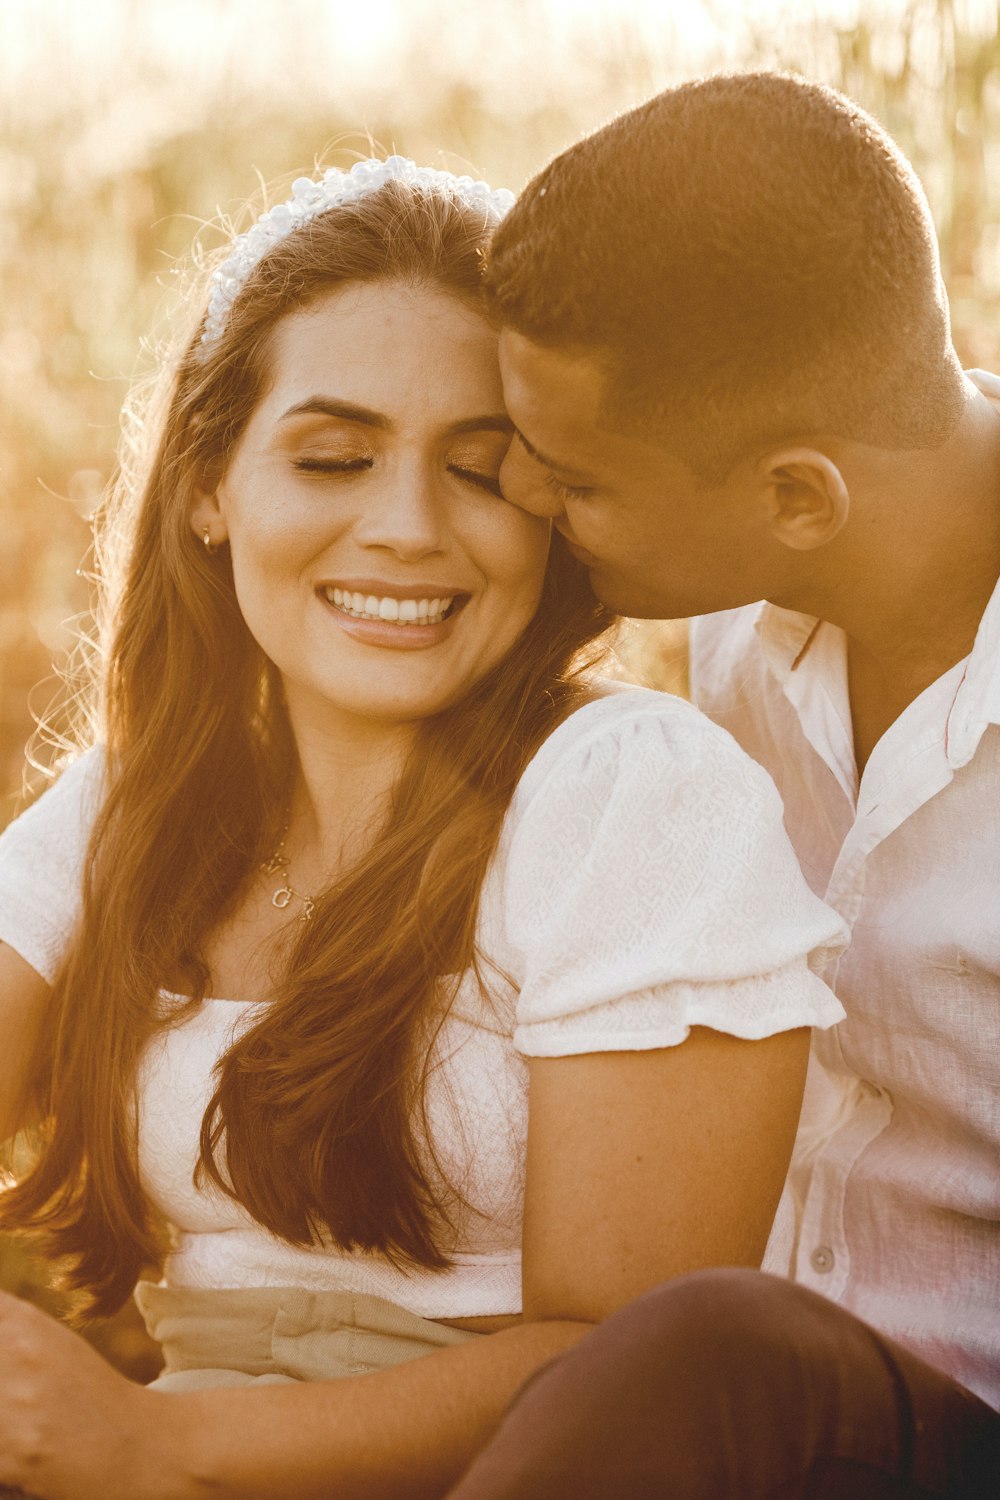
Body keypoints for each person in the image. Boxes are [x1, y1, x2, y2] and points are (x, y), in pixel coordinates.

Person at [0, 154, 847, 1498]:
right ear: (210, 488)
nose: (406, 529)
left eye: (484, 471)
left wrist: (157, 1446)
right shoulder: (142, 796)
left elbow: (627, 1361)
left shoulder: (629, 788)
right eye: (335, 457)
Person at [444, 72, 1000, 1498]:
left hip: (927, 1429)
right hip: (706, 1426)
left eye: (576, 478)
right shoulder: (733, 619)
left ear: (799, 496)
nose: (524, 501)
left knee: (708, 1351)